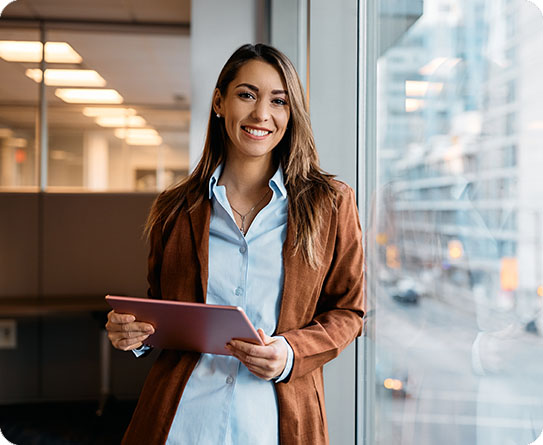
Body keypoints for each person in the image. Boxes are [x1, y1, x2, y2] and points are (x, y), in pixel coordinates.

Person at [105, 43, 365, 445]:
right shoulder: (175, 209)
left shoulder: (330, 204)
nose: (262, 114)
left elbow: (349, 311)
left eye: (278, 101)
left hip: (277, 423)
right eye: (247, 94)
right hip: (181, 423)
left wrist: (291, 352)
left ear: (290, 113)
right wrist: (133, 334)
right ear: (219, 102)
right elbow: (161, 305)